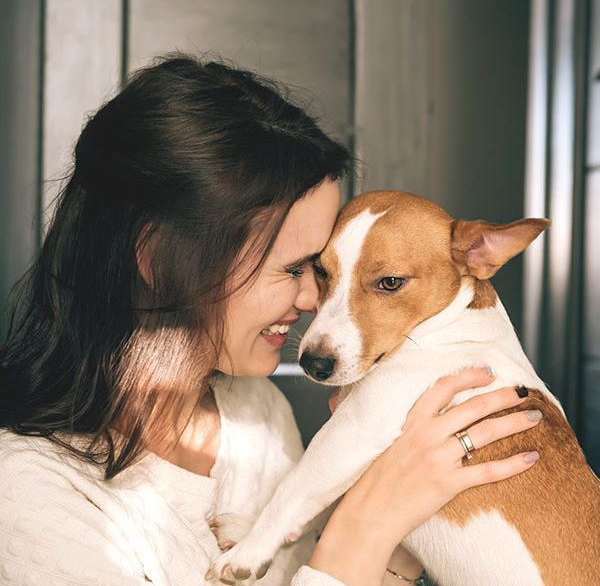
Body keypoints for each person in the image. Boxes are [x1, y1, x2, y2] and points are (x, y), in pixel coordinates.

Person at [0, 54, 541, 586]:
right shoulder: (29, 493)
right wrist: (365, 527)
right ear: (159, 259)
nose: (313, 300)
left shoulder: (254, 413)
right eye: (297, 269)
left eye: (318, 268)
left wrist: (397, 540)